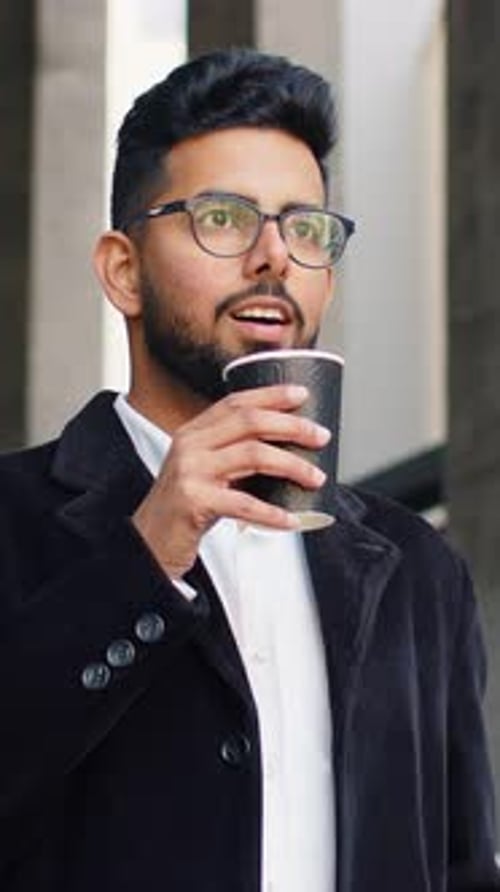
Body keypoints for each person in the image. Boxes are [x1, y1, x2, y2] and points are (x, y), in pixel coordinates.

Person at [0, 47, 498, 892]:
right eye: (224, 218)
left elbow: (461, 864)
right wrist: (145, 554)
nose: (273, 256)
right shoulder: (14, 521)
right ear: (123, 270)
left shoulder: (419, 571)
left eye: (305, 228)